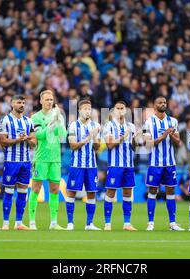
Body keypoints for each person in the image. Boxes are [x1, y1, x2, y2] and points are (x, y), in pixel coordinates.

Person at [142, 95, 184, 231]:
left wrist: (172, 136)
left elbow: (178, 143)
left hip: (170, 163)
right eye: (160, 102)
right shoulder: (148, 122)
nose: (163, 104)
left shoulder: (173, 121)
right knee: (153, 191)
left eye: (164, 102)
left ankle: (172, 223)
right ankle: (150, 222)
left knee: (171, 191)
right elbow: (147, 144)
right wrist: (163, 136)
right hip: (155, 163)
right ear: (155, 106)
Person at [29, 90, 67, 230]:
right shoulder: (36, 117)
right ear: (40, 101)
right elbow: (39, 135)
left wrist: (60, 122)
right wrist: (51, 124)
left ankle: (53, 223)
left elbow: (63, 136)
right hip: (41, 158)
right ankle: (32, 222)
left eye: (51, 99)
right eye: (46, 99)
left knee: (55, 189)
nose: (49, 102)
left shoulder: (57, 115)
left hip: (55, 158)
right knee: (36, 188)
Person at [0, 95, 36, 230]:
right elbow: (3, 141)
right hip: (11, 162)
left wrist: (27, 139)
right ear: (12, 103)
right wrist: (18, 140)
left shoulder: (28, 121)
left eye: (23, 103)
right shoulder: (5, 121)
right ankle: (6, 223)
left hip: (25, 162)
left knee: (23, 192)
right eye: (19, 102)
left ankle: (19, 223)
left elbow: (34, 143)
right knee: (8, 191)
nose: (21, 105)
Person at [66, 99, 102, 231]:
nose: (88, 111)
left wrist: (95, 138)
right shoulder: (73, 126)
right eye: (85, 109)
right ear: (79, 110)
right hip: (77, 165)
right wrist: (87, 138)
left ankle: (89, 224)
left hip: (91, 166)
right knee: (72, 193)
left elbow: (97, 147)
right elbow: (73, 145)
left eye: (89, 109)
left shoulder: (95, 125)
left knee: (91, 193)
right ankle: (70, 223)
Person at [103, 100, 139, 231]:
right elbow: (109, 145)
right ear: (114, 110)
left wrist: (136, 140)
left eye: (122, 108)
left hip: (129, 165)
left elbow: (134, 148)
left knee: (128, 193)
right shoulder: (109, 125)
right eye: (117, 108)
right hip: (114, 165)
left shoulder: (132, 126)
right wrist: (123, 137)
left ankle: (127, 223)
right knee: (111, 193)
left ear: (126, 110)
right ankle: (107, 223)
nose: (120, 110)